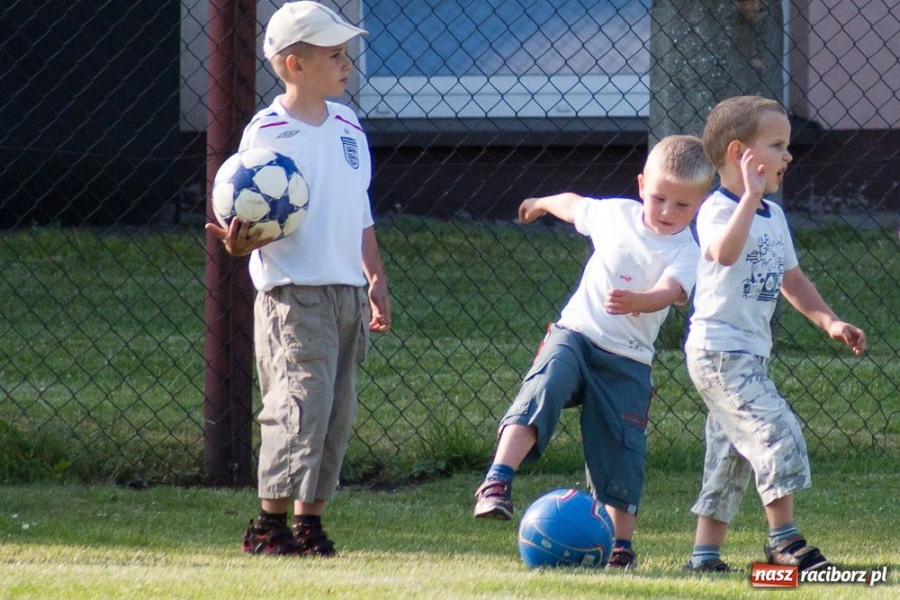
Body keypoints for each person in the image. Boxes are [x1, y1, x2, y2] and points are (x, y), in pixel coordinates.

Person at [473, 135, 715, 570]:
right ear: (642, 185)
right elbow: (574, 203)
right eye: (658, 198)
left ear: (699, 205)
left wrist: (638, 301)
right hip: (576, 334)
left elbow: (671, 291)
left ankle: (620, 546)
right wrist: (539, 203)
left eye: (682, 206)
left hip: (628, 360)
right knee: (543, 387)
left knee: (621, 449)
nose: (665, 213)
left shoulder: (686, 251)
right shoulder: (616, 215)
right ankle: (498, 480)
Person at [205, 1, 391, 557]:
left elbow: (359, 207)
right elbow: (247, 214)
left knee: (335, 410)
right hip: (293, 295)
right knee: (298, 403)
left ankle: (310, 522)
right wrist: (243, 243)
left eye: (346, 54)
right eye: (334, 55)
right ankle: (268, 524)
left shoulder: (349, 125)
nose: (346, 65)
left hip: (346, 293)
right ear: (294, 65)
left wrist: (374, 277)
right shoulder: (268, 133)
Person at [683, 96, 866, 573]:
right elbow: (723, 254)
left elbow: (792, 280)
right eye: (777, 145)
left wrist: (829, 320)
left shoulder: (774, 216)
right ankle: (784, 542)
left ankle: (704, 558)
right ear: (740, 153)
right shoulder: (718, 209)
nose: (788, 156)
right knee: (775, 431)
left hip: (748, 353)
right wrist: (747, 197)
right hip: (719, 353)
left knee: (731, 456)